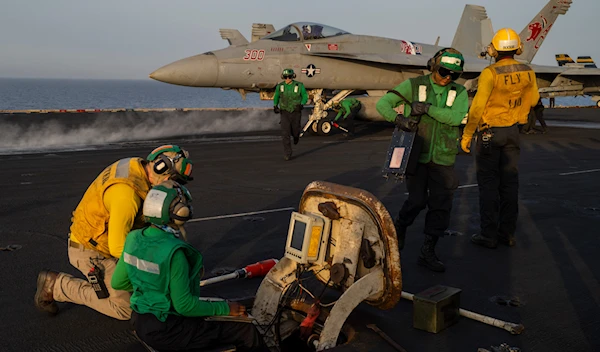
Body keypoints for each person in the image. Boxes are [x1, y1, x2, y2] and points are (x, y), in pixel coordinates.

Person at [34, 145, 194, 320]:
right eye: (174, 179)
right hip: (93, 252)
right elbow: (117, 247)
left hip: (103, 237)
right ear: (160, 167)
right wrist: (154, 266)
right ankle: (57, 286)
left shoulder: (136, 166)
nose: (173, 185)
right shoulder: (126, 195)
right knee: (125, 308)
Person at [112, 180, 267, 352]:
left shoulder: (133, 238)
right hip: (169, 331)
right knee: (246, 330)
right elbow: (184, 306)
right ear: (177, 212)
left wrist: (155, 292)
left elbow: (118, 283)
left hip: (140, 322)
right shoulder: (175, 252)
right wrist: (226, 308)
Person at [376, 48, 469, 272]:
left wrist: (427, 108)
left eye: (454, 75)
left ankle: (428, 251)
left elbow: (456, 118)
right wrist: (400, 120)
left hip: (444, 156)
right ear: (434, 66)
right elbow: (382, 105)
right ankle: (401, 225)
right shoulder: (414, 85)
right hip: (416, 155)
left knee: (440, 206)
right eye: (445, 71)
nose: (448, 78)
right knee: (417, 200)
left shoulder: (460, 92)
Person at [460, 28, 540, 249]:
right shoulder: (528, 71)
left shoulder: (490, 73)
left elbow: (477, 108)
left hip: (489, 133)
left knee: (488, 185)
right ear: (518, 48)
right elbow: (533, 100)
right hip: (512, 132)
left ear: (494, 49)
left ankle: (489, 235)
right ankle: (507, 234)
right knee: (509, 184)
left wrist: (467, 134)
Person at [273, 68, 308, 161]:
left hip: (296, 111)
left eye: (289, 76)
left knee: (295, 130)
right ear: (283, 77)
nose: (288, 78)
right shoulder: (280, 86)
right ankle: (287, 153)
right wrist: (275, 105)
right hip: (285, 111)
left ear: (293, 76)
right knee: (285, 133)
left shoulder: (299, 85)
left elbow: (305, 95)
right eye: (286, 77)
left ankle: (296, 136)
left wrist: (302, 104)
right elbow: (276, 96)